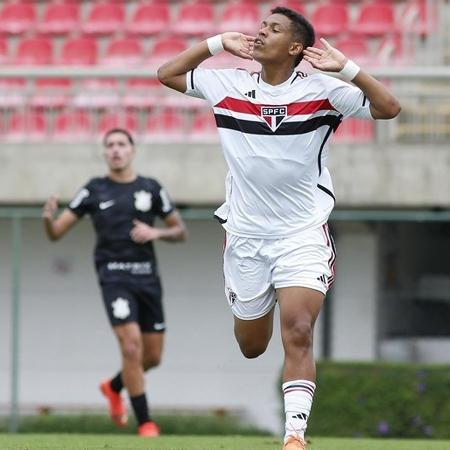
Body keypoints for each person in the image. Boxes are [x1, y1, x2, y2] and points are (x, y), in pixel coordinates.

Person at [158, 6, 400, 450]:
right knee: (252, 344)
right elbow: (166, 74)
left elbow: (389, 108)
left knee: (299, 329)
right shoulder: (226, 81)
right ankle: (260, 339)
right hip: (247, 237)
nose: (259, 32)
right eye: (260, 25)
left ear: (294, 47)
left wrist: (348, 69)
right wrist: (215, 44)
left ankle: (294, 436)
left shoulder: (326, 90)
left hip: (302, 234)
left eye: (272, 28)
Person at [42, 128, 187, 437]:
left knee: (152, 357)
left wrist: (156, 233)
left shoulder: (151, 188)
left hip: (147, 279)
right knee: (131, 346)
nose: (116, 150)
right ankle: (146, 422)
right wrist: (47, 219)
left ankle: (114, 386)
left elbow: (180, 231)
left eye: (121, 144)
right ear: (104, 153)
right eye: (110, 145)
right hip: (114, 278)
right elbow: (56, 233)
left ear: (132, 150)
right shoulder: (94, 190)